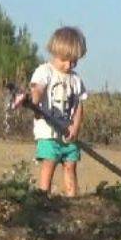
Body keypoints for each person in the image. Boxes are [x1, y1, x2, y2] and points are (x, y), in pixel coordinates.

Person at [30, 26, 88, 197]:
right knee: (50, 162)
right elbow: (37, 89)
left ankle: (72, 197)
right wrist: (34, 102)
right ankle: (43, 196)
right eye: (65, 60)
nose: (69, 65)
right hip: (49, 133)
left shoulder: (75, 80)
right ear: (55, 52)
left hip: (68, 133)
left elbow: (78, 106)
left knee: (71, 164)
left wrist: (75, 128)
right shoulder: (45, 71)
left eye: (74, 61)